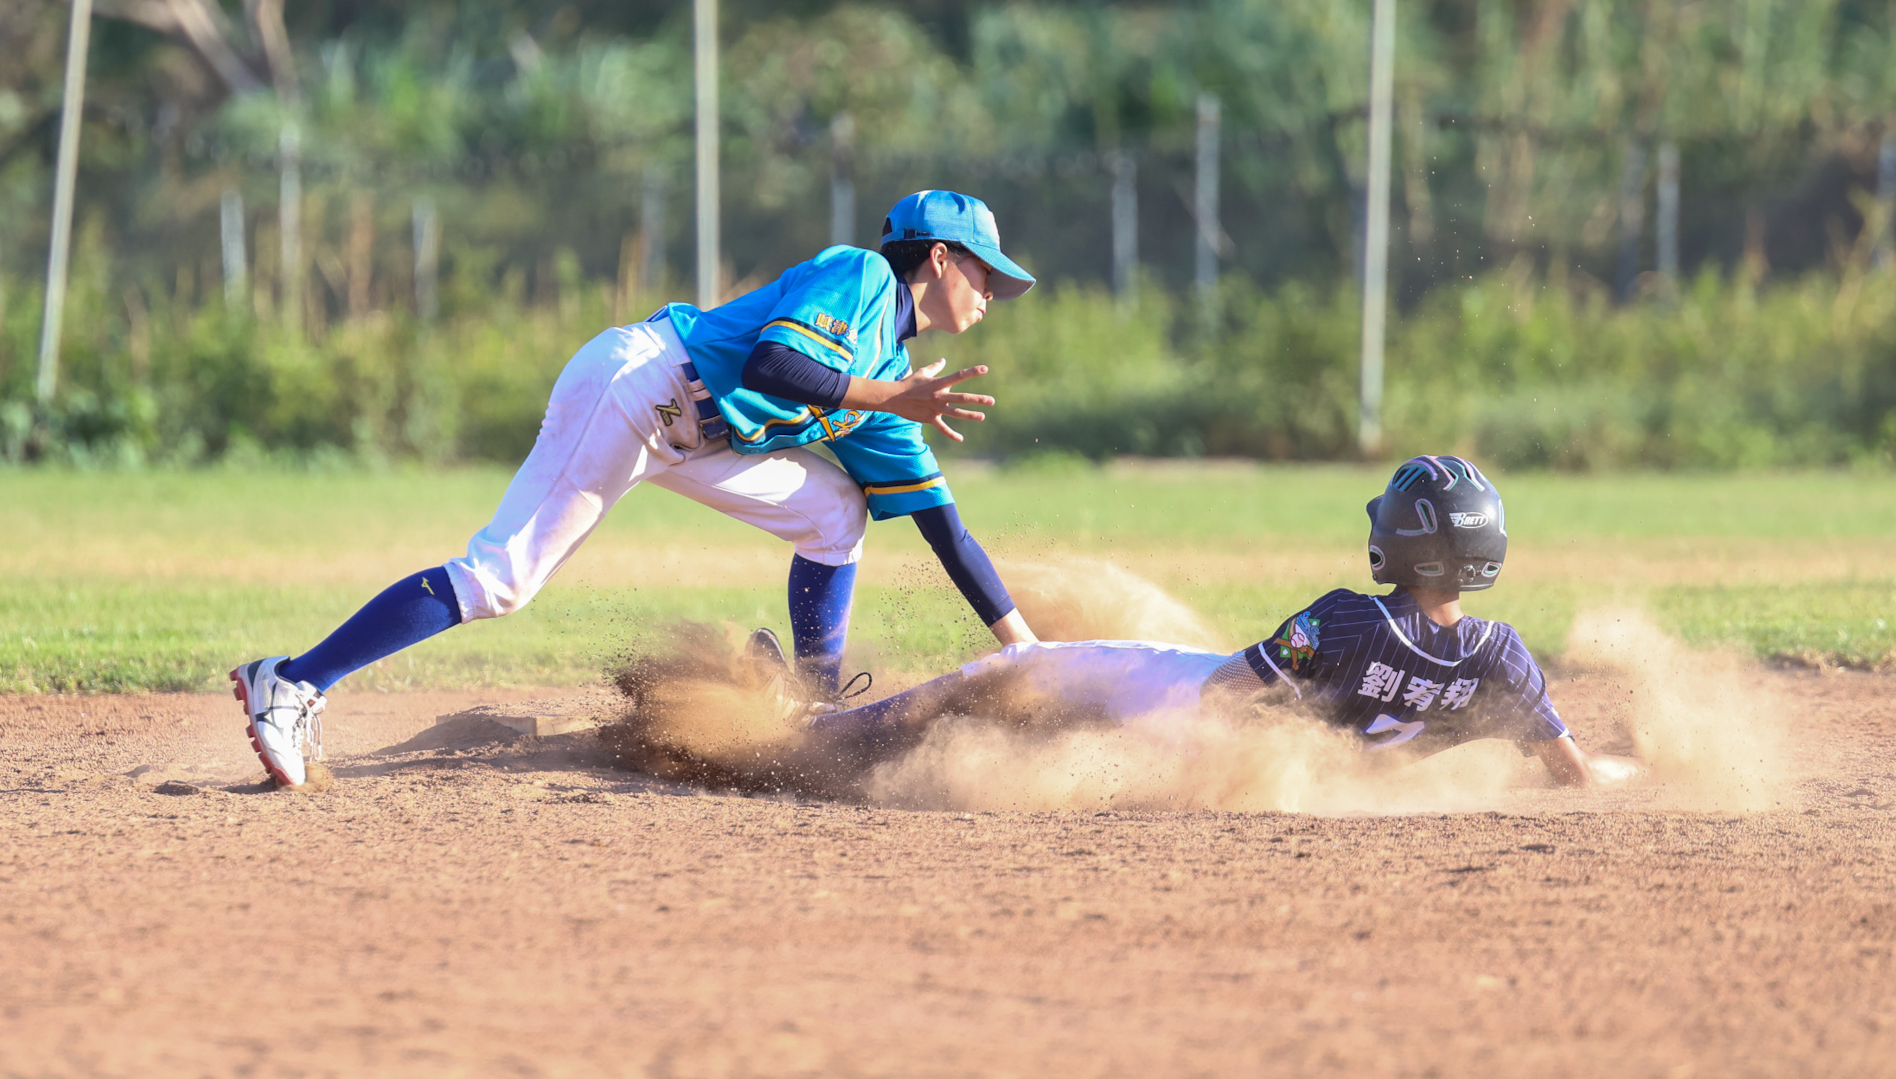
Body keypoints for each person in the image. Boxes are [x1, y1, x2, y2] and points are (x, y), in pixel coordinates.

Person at [231, 190, 1042, 787]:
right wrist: (887, 395)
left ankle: (812, 709)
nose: (990, 293)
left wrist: (1027, 649)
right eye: (985, 274)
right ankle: (294, 679)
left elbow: (948, 533)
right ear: (939, 256)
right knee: (504, 577)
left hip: (695, 433)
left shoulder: (895, 383)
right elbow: (772, 365)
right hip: (638, 383)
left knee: (836, 511)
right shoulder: (863, 278)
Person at [770, 455, 1642, 791]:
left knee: (1010, 674)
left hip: (1183, 707)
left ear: (1402, 543)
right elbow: (1578, 775)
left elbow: (1226, 692)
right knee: (1035, 711)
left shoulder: (1342, 620)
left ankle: (813, 734)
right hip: (1262, 767)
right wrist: (1644, 770)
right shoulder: (1504, 660)